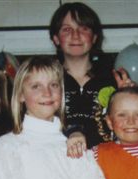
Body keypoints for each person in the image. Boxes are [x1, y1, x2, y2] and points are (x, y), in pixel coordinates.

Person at [49, 2, 132, 148]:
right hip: (57, 158)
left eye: (83, 28)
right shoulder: (46, 79)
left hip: (105, 158)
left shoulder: (113, 79)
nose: (75, 36)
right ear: (56, 38)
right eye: (67, 29)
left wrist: (129, 97)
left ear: (94, 37)